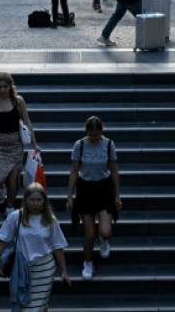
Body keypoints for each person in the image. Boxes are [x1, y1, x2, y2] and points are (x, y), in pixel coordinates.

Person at [0, 183, 71, 311]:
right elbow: (3, 238)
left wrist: (64, 270)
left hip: (44, 267)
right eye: (32, 199)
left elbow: (58, 246)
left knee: (34, 307)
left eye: (39, 200)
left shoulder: (50, 219)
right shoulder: (15, 217)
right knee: (33, 305)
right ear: (25, 200)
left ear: (44, 201)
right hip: (22, 268)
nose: (35, 203)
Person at [66, 116, 121, 281]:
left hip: (104, 189)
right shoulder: (80, 145)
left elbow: (114, 171)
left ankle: (104, 241)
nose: (94, 138)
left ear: (101, 132)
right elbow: (74, 171)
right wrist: (69, 197)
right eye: (91, 135)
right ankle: (88, 262)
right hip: (85, 190)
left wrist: (117, 195)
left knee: (105, 231)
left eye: (97, 135)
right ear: (87, 132)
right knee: (90, 234)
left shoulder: (109, 144)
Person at [0, 72, 41, 214]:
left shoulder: (18, 101)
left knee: (13, 179)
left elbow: (27, 121)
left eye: (5, 87)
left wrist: (34, 143)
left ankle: (9, 207)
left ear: (10, 87)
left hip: (15, 143)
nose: (2, 90)